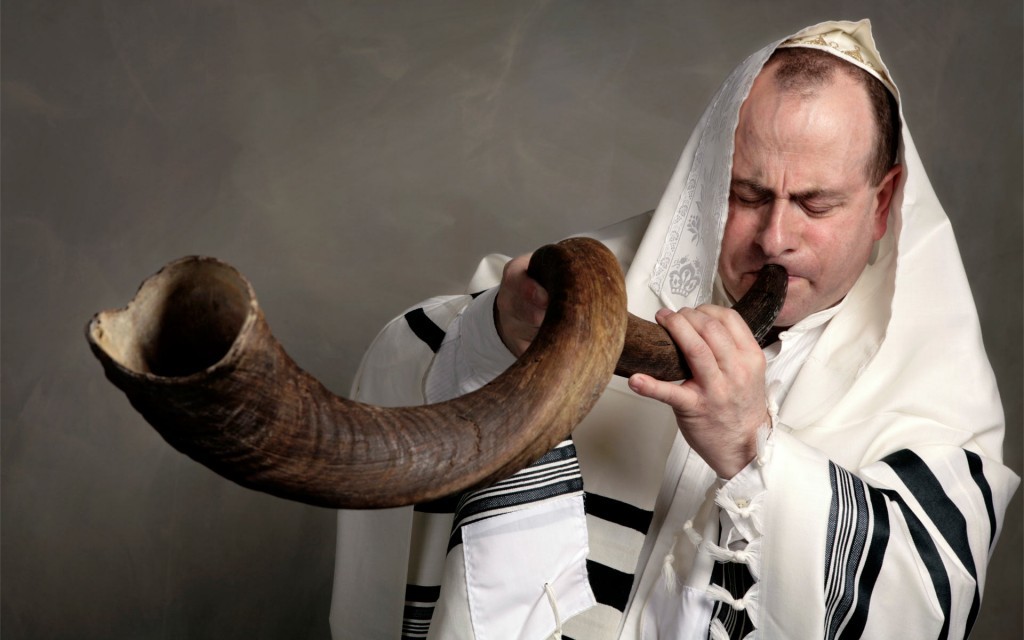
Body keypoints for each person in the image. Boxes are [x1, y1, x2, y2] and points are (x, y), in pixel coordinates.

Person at [330, 19, 1019, 639]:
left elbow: (925, 604)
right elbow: (401, 369)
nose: (774, 238)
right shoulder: (599, 284)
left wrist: (753, 451)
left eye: (816, 204)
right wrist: (496, 337)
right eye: (746, 194)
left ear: (883, 202)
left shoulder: (935, 388)